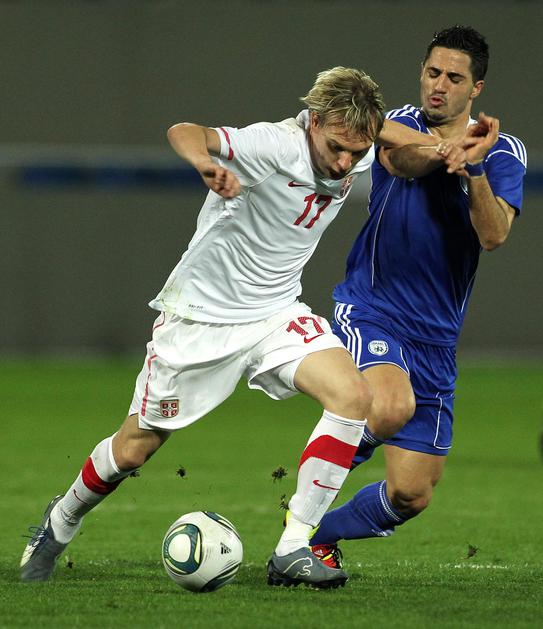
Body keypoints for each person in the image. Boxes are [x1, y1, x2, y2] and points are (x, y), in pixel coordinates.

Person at [21, 67, 469, 589]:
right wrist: (203, 164)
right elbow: (185, 131)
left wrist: (453, 148)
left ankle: (293, 546)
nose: (345, 162)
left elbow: (389, 134)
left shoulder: (356, 141)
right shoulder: (272, 145)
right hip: (201, 318)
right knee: (135, 446)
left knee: (353, 396)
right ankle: (62, 518)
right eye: (337, 148)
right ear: (314, 122)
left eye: (356, 151)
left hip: (276, 313)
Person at [307, 27, 527, 567]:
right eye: (432, 72)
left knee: (411, 494)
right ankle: (302, 512)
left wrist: (473, 166)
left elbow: (494, 233)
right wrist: (447, 150)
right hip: (373, 308)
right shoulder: (399, 122)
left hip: (436, 338)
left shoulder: (502, 151)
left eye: (454, 77)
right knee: (388, 405)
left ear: (476, 88)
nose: (439, 86)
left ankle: (314, 535)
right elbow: (400, 161)